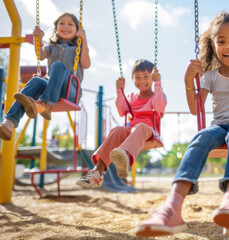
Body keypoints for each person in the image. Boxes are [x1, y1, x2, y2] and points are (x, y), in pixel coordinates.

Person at [134, 11, 229, 237]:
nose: (228, 46)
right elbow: (195, 109)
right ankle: (172, 207)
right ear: (213, 44)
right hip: (218, 127)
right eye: (221, 41)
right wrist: (188, 81)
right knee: (200, 136)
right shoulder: (210, 75)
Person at [76, 59, 167, 188]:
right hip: (132, 133)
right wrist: (119, 91)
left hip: (149, 133)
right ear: (132, 78)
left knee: (139, 127)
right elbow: (121, 111)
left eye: (146, 77)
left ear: (152, 77)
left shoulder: (158, 95)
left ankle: (124, 157)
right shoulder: (132, 97)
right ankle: (96, 173)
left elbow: (159, 106)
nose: (141, 81)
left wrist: (158, 83)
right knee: (117, 129)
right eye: (137, 77)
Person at [0, 13, 90, 141]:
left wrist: (84, 40)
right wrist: (38, 39)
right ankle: (9, 124)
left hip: (70, 91)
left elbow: (86, 64)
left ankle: (46, 105)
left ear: (77, 30)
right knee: (37, 80)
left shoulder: (79, 48)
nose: (66, 26)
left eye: (70, 24)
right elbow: (40, 55)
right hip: (51, 88)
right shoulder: (51, 47)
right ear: (56, 28)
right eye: (62, 23)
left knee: (58, 66)